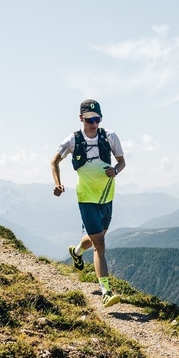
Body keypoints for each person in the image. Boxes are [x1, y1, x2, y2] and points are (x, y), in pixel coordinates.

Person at [51, 99, 126, 307]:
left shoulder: (109, 136)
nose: (94, 123)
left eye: (97, 119)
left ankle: (76, 252)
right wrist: (58, 184)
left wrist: (115, 170)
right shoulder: (73, 140)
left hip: (107, 197)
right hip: (86, 198)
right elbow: (54, 161)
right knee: (99, 244)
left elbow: (122, 161)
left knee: (97, 238)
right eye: (89, 119)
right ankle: (106, 292)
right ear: (81, 118)